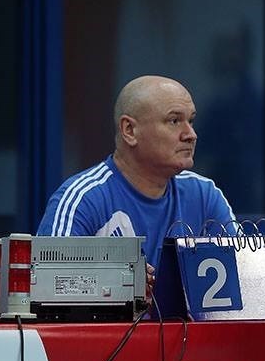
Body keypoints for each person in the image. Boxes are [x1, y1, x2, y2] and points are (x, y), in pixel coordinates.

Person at [37, 75, 237, 282]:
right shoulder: (82, 199)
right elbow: (47, 284)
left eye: (191, 121)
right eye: (174, 121)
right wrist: (115, 283)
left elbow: (243, 277)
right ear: (130, 130)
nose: (191, 134)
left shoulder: (204, 194)